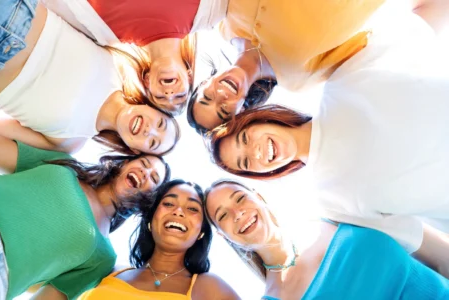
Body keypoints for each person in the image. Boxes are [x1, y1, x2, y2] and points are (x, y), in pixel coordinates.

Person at [205, 2, 449, 257]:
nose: (254, 152)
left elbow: (422, 26)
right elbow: (431, 249)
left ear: (260, 120)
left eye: (245, 138)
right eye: (246, 163)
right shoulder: (331, 203)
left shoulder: (343, 80)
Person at [0, 92, 171, 299]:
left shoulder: (103, 258)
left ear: (148, 202)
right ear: (125, 163)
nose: (145, 173)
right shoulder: (63, 164)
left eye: (153, 179)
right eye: (144, 163)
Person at [0, 1, 180, 155]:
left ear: (135, 150)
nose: (149, 129)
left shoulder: (68, 143)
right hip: (10, 8)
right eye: (160, 123)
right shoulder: (121, 61)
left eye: (152, 143)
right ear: (152, 107)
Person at [204, 180, 449, 299]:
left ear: (258, 197)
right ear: (223, 235)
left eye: (239, 199)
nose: (238, 214)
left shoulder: (337, 215)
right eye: (223, 215)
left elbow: (436, 251)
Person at [187, 0, 387, 132]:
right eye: (224, 111)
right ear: (241, 112)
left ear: (205, 82)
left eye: (207, 97)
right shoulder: (301, 79)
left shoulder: (225, 25)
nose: (220, 96)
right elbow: (365, 42)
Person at [41, 0, 229, 114]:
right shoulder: (211, 11)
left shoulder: (100, 30)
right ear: (189, 76)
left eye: (160, 97)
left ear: (147, 81)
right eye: (180, 95)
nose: (169, 94)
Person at [79, 179, 240, 300]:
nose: (178, 211)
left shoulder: (210, 287)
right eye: (169, 203)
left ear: (201, 233)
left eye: (192, 208)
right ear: (150, 220)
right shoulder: (109, 271)